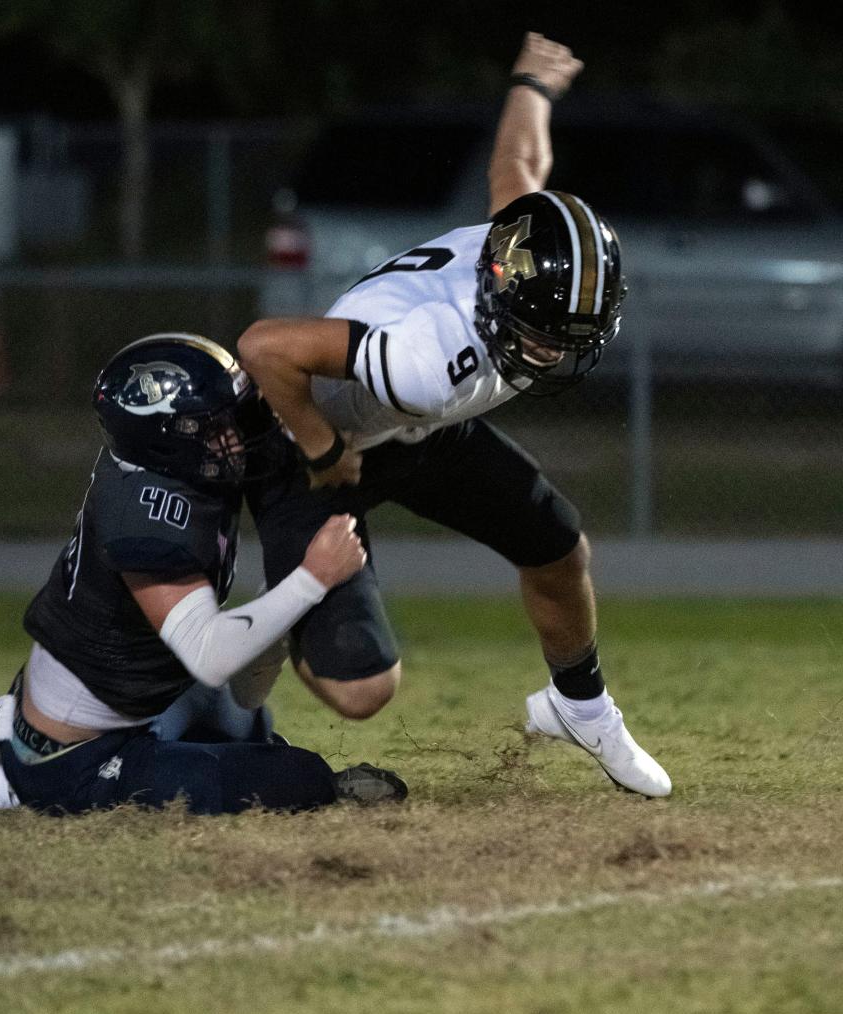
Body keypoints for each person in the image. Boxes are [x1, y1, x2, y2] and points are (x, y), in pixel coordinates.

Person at [238, 33, 671, 797]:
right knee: (362, 689)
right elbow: (266, 346)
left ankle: (581, 705)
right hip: (316, 440)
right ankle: (237, 654)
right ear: (504, 307)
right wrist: (319, 443)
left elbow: (519, 168)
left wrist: (533, 84)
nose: (555, 354)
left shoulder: (514, 246)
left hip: (411, 428)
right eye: (545, 337)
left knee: (558, 548)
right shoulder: (427, 359)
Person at [0, 332, 407, 815]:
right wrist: (312, 579)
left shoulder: (177, 473)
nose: (233, 435)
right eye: (210, 427)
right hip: (75, 753)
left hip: (144, 700)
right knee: (283, 777)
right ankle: (53, 781)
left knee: (246, 724)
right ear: (165, 440)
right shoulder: (147, 516)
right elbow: (211, 656)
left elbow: (241, 687)